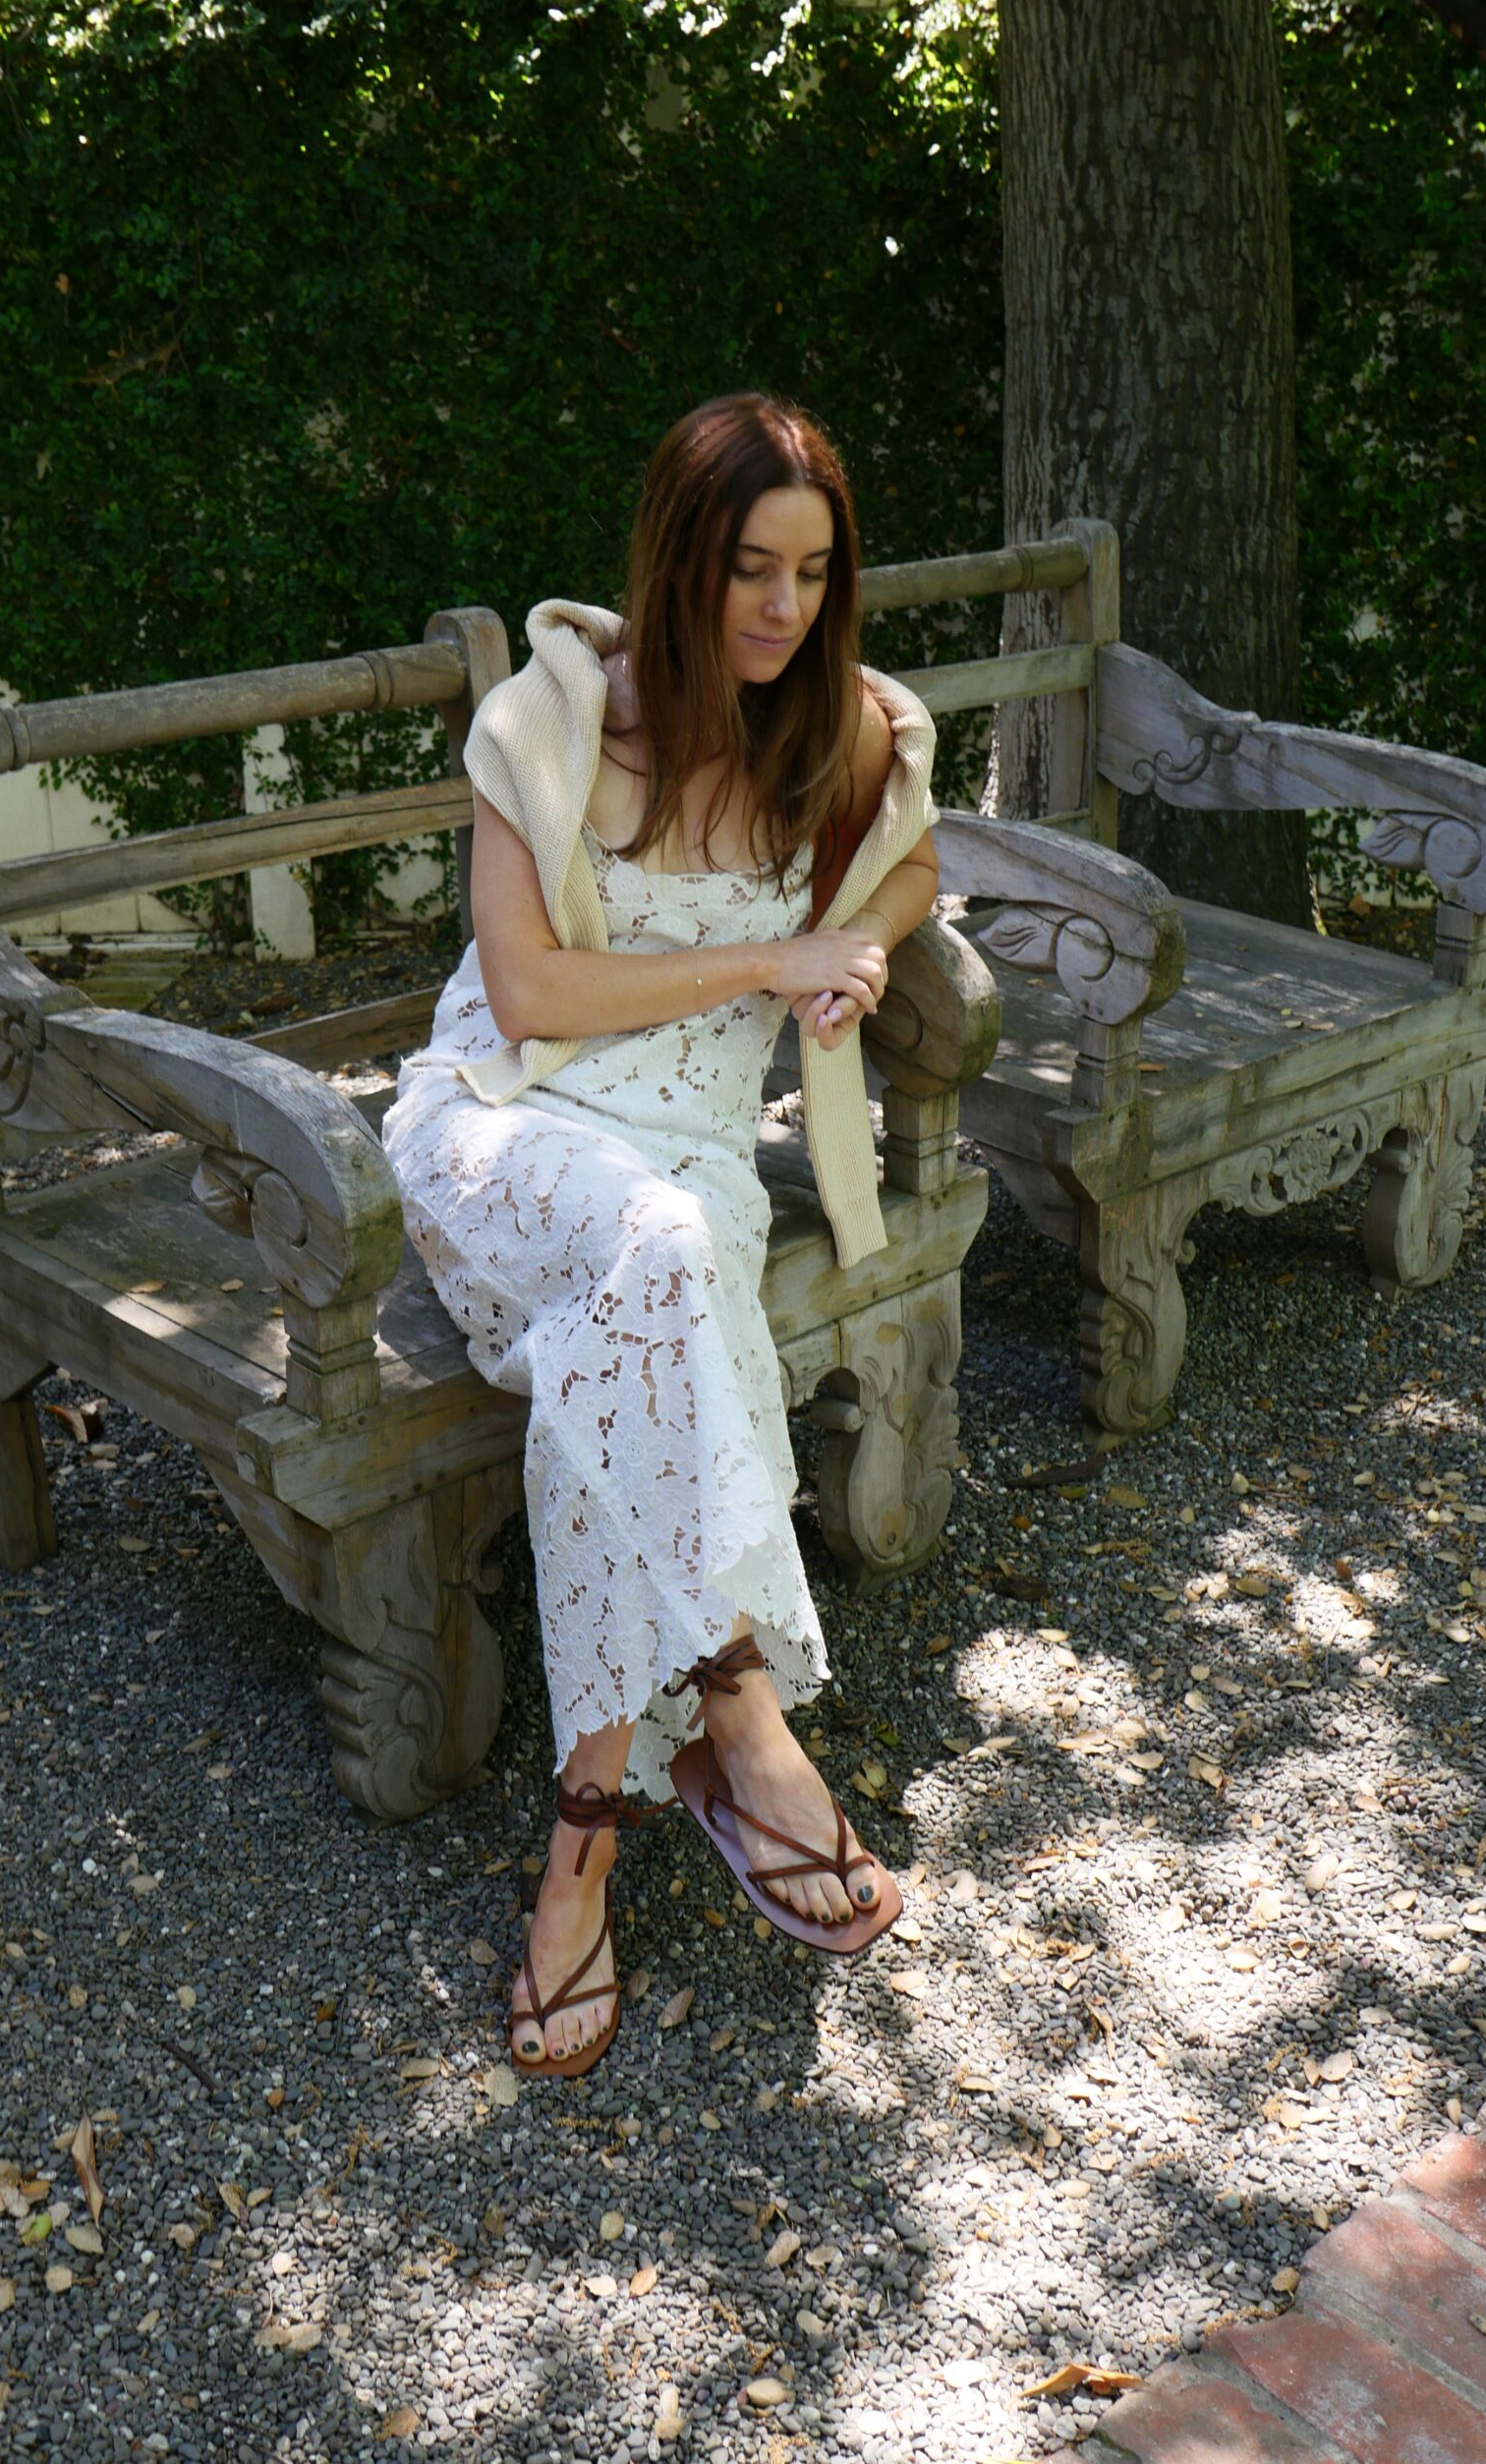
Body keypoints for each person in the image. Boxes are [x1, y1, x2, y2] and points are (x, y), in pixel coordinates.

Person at [380, 392, 942, 2079]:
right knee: (661, 1259)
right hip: (507, 1132)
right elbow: (531, 993)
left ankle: (583, 1859)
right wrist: (773, 960)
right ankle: (740, 1712)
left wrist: (860, 945)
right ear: (679, 559)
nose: (783, 608)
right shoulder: (549, 725)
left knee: (652, 1292)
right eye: (752, 569)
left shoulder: (837, 730)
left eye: (814, 576)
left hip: (690, 1164)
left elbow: (917, 868)